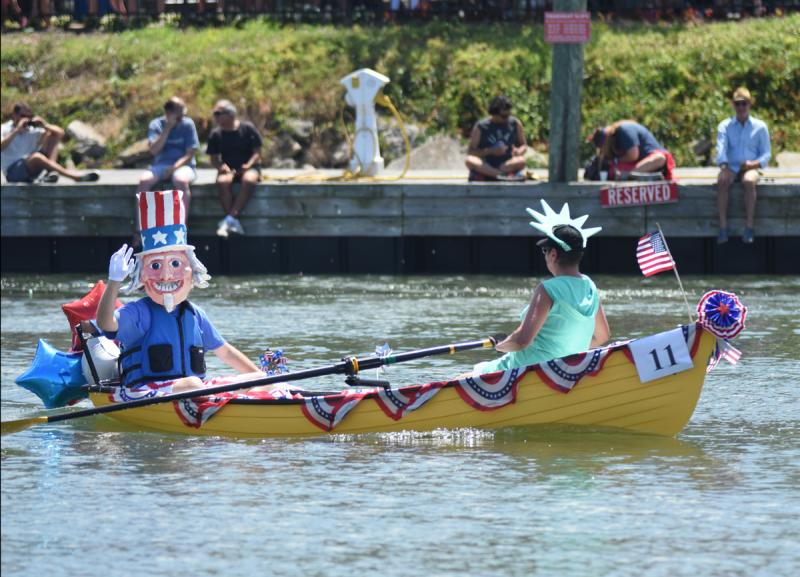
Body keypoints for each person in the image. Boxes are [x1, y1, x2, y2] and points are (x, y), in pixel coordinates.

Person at [97, 189, 271, 395]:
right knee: (194, 384)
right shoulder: (139, 312)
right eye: (155, 266)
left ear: (193, 272)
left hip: (194, 391)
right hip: (145, 392)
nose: (167, 276)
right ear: (142, 275)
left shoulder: (195, 314)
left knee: (260, 377)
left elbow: (225, 352)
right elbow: (105, 324)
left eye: (176, 263)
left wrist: (264, 381)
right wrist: (114, 282)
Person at [470, 201, 609, 375]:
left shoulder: (547, 289)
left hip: (523, 372)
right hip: (567, 372)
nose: (544, 255)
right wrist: (566, 355)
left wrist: (501, 346)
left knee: (469, 374)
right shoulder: (591, 287)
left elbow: (521, 341)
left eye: (545, 250)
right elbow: (602, 336)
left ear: (553, 254)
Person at [714, 87, 771, 245]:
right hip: (731, 167)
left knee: (748, 181)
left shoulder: (760, 127)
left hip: (751, 167)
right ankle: (723, 227)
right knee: (722, 181)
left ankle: (749, 226)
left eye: (744, 103)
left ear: (750, 104)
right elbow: (721, 148)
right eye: (738, 104)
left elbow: (766, 154)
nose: (741, 108)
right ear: (733, 105)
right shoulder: (725, 126)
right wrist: (724, 167)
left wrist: (753, 163)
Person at [1, 102, 99, 184]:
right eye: (23, 116)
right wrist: (16, 131)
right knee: (37, 157)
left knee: (52, 135)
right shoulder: (5, 129)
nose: (26, 119)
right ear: (14, 115)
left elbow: (60, 133)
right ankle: (75, 177)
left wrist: (45, 125)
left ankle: (50, 173)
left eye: (29, 116)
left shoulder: (31, 130)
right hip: (13, 172)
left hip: (30, 166)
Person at [206, 100, 263, 237]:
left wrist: (248, 165)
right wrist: (221, 166)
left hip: (249, 167)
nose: (216, 117)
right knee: (223, 182)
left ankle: (229, 219)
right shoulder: (216, 134)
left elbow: (257, 152)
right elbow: (213, 158)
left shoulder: (247, 128)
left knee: (249, 180)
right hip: (229, 169)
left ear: (231, 114)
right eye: (215, 114)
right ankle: (232, 219)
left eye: (219, 113)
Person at [138, 97, 199, 215]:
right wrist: (167, 128)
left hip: (183, 166)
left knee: (180, 180)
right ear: (169, 113)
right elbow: (154, 151)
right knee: (144, 180)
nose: (183, 113)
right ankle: (140, 228)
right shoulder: (156, 125)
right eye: (180, 111)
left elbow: (190, 154)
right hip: (160, 165)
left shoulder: (188, 124)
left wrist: (174, 168)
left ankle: (181, 225)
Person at [465, 95, 527, 182]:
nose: (507, 119)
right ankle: (500, 175)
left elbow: (524, 145)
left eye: (509, 115)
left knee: (522, 160)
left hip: (507, 164)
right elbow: (471, 152)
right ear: (494, 113)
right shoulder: (481, 126)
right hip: (487, 164)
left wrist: (518, 151)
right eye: (504, 116)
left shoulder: (515, 123)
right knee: (470, 160)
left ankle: (495, 174)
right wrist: (490, 151)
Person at [590, 120, 675, 181]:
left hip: (655, 163)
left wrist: (616, 161)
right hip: (638, 167)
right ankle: (631, 176)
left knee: (659, 158)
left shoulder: (624, 129)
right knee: (614, 170)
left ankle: (628, 176)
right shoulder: (616, 139)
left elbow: (633, 155)